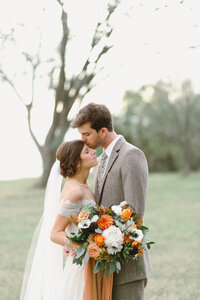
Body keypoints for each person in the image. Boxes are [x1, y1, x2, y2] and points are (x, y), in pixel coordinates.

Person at [71, 103, 152, 300]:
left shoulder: (131, 155)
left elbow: (134, 212)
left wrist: (105, 238)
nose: (83, 139)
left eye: (87, 134)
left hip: (127, 266)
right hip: (105, 267)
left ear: (103, 131)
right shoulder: (99, 161)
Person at [20, 140, 98, 300]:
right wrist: (83, 246)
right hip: (81, 264)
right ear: (76, 163)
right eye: (87, 151)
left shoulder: (84, 186)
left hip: (90, 261)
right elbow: (55, 233)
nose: (93, 152)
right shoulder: (75, 191)